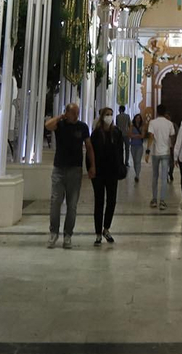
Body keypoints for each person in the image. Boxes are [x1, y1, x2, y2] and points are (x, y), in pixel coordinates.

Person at [44, 102, 93, 249]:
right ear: (67, 113)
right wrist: (60, 117)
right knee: (55, 203)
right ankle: (53, 233)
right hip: (59, 169)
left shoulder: (82, 127)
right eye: (74, 113)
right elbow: (47, 125)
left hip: (75, 170)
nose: (76, 115)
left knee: (72, 206)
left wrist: (92, 166)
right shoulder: (60, 125)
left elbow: (89, 147)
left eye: (77, 113)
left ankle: (67, 235)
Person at [89, 107, 128, 245]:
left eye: (111, 115)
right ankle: (98, 232)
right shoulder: (96, 134)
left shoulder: (116, 132)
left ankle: (106, 228)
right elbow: (90, 151)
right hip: (99, 172)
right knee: (99, 201)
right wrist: (91, 168)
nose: (109, 117)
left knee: (111, 200)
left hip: (112, 171)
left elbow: (120, 150)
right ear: (102, 116)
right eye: (107, 114)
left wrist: (122, 166)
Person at [147, 104, 177, 210]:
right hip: (165, 152)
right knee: (164, 177)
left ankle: (154, 199)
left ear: (157, 111)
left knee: (155, 176)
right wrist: (172, 148)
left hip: (155, 152)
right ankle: (162, 201)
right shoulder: (169, 123)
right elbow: (172, 136)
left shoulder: (152, 122)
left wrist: (147, 151)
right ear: (165, 112)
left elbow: (150, 137)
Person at [127, 112, 145, 181]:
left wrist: (134, 135)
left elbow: (142, 135)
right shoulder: (132, 126)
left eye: (139, 118)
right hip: (133, 146)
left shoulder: (142, 127)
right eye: (137, 118)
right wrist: (137, 136)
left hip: (139, 146)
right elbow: (129, 135)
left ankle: (137, 175)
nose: (138, 119)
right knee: (134, 161)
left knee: (138, 160)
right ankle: (136, 172)